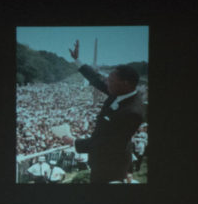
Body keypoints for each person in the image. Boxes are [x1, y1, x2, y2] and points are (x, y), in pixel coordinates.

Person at [60, 39, 145, 184]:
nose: (106, 83)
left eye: (110, 80)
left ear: (125, 84)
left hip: (112, 164)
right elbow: (96, 79)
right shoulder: (120, 91)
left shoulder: (133, 112)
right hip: (102, 159)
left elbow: (107, 143)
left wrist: (74, 142)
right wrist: (77, 60)